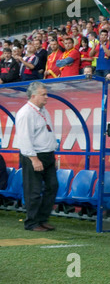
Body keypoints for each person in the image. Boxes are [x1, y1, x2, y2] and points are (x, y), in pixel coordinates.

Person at [15, 82, 59, 232]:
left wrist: (53, 154)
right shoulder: (25, 113)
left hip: (48, 155)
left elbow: (47, 133)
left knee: (52, 186)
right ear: (33, 96)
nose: (46, 97)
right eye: (43, 94)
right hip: (34, 155)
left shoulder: (43, 110)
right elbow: (24, 138)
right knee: (33, 191)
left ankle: (42, 219)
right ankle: (32, 222)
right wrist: (34, 159)